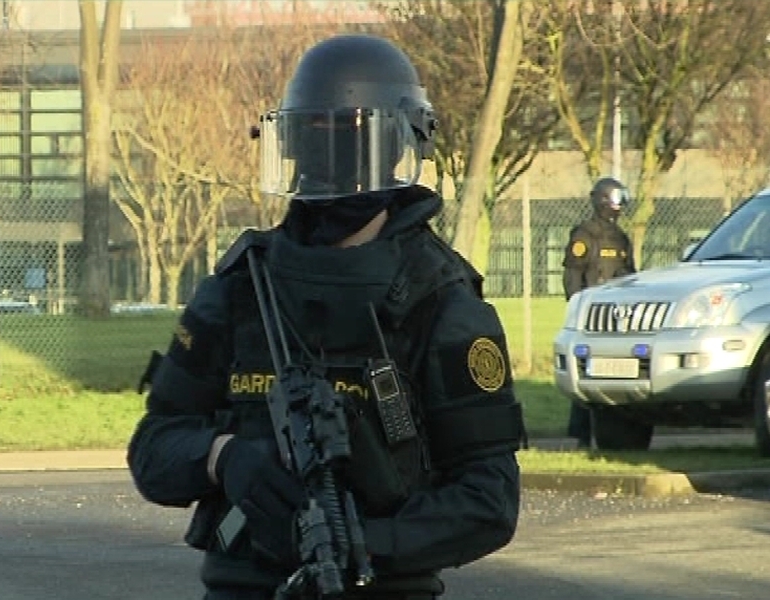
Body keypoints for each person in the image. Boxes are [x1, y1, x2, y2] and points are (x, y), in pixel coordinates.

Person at [127, 33, 525, 600]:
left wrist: (361, 543)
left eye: (351, 139)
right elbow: (153, 449)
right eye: (314, 137)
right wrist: (222, 457)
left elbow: (489, 502)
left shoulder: (441, 303)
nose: (332, 161)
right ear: (289, 148)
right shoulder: (241, 287)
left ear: (397, 148)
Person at [562, 176, 636, 449]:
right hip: (589, 317)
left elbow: (630, 275)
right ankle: (581, 436)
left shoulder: (621, 238)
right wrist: (577, 309)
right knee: (584, 373)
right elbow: (573, 276)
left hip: (618, 319)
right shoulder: (584, 235)